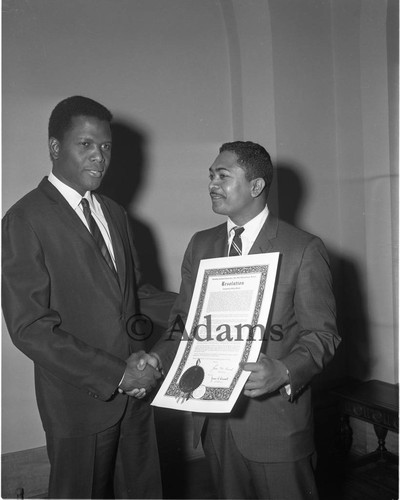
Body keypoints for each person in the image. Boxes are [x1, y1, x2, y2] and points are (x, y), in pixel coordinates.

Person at [2, 95, 175, 499]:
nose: (99, 156)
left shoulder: (114, 212)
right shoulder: (24, 219)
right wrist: (117, 373)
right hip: (79, 403)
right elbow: (30, 328)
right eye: (86, 144)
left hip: (137, 394)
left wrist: (200, 302)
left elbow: (135, 296)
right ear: (55, 148)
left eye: (106, 146)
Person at [150, 141, 341, 499]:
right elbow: (183, 323)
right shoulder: (200, 245)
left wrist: (284, 371)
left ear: (256, 186)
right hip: (215, 424)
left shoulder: (303, 249)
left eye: (223, 175)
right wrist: (158, 358)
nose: (212, 183)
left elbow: (323, 335)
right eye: (210, 175)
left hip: (276, 425)